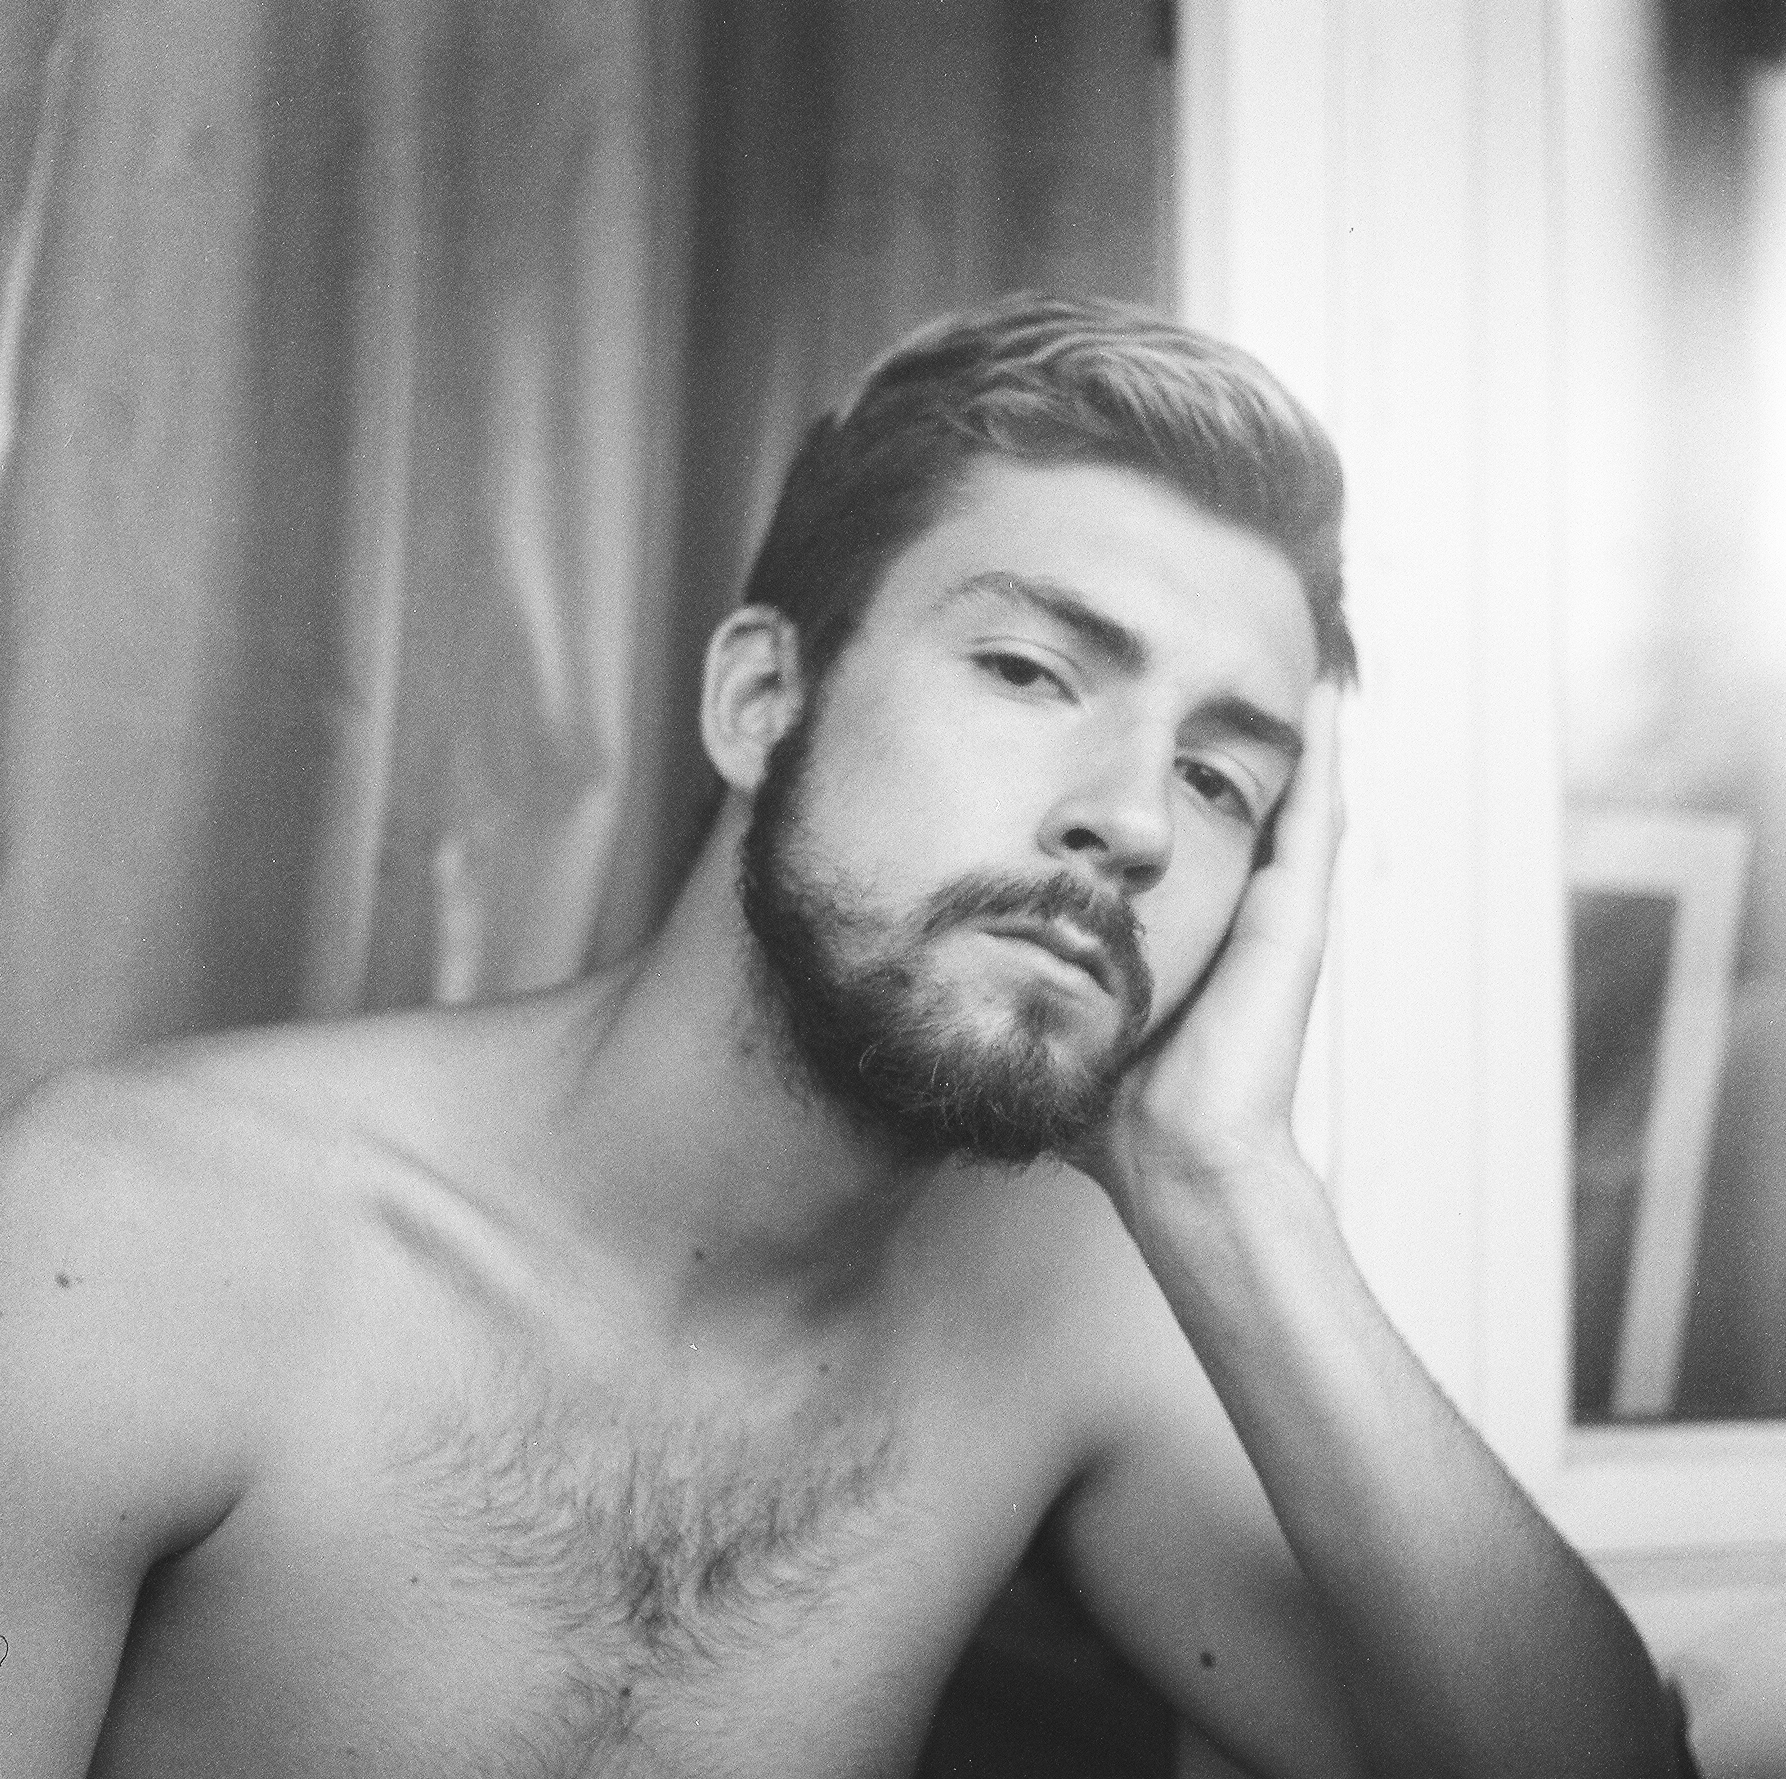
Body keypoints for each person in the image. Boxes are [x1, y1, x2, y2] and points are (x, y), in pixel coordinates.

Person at [0, 295, 1685, 1778]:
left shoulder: (1056, 1321)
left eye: (1216, 776)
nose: (1131, 822)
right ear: (760, 700)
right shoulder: (135, 1235)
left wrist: (1227, 1179)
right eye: (1028, 671)